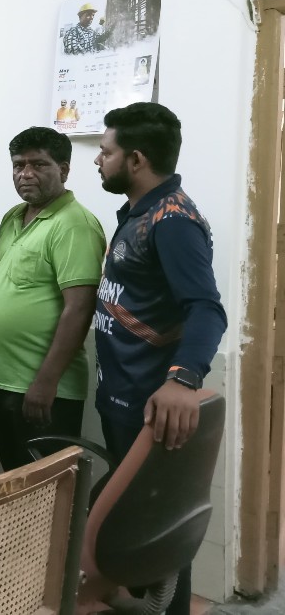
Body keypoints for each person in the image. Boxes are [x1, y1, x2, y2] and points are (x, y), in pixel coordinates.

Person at [93, 102, 227, 615]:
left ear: (136, 159)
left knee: (159, 544)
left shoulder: (173, 221)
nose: (98, 160)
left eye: (105, 151)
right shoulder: (139, 213)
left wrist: (183, 380)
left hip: (152, 409)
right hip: (121, 399)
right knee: (134, 535)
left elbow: (206, 309)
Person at [0, 127, 105, 470]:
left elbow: (80, 308)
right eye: (18, 165)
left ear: (64, 169)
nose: (26, 173)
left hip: (43, 390)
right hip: (5, 381)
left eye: (39, 164)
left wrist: (46, 382)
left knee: (47, 489)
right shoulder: (12, 217)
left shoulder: (74, 224)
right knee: (15, 479)